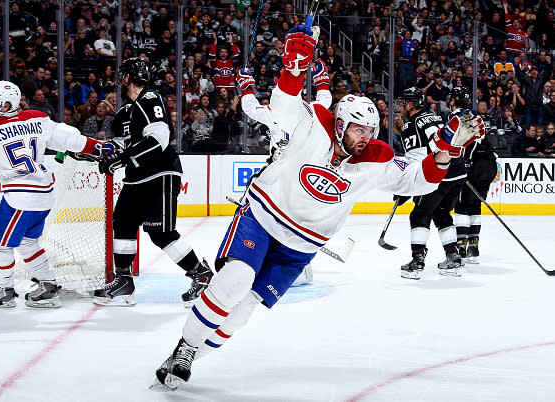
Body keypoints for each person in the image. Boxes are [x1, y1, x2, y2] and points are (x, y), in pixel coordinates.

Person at [153, 25, 483, 390]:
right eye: (359, 130)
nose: (366, 138)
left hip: (302, 245)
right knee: (235, 281)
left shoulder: (375, 158)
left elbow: (419, 180)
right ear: (341, 123)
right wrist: (294, 70)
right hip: (264, 215)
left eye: (371, 131)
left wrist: (447, 150)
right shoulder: (313, 122)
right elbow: (280, 108)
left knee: (244, 310)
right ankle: (185, 347)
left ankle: (187, 359)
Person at [0, 81, 115, 308]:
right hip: (43, 194)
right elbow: (69, 138)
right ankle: (48, 287)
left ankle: (4, 291)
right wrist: (98, 147)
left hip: (19, 197)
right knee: (27, 242)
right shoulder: (36, 118)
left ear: (6, 105)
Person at [93, 58, 213, 307]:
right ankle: (124, 280)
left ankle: (201, 274)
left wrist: (123, 157)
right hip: (137, 178)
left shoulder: (150, 98)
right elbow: (122, 144)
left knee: (161, 234)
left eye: (122, 75)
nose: (120, 78)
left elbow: (159, 137)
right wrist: (98, 152)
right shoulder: (125, 111)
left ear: (128, 77)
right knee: (123, 223)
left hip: (160, 173)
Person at [235, 58, 333, 285]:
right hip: (302, 175)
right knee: (291, 219)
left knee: (272, 217)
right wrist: (322, 78)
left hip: (282, 175)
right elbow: (325, 99)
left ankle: (284, 262)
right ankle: (299, 264)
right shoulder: (311, 111)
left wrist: (246, 85)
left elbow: (249, 107)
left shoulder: (274, 112)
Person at [395, 86, 476, 280]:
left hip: (437, 173)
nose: (400, 107)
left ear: (409, 104)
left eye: (402, 103)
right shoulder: (436, 116)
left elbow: (417, 159)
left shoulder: (410, 125)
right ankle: (453, 256)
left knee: (420, 214)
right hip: (457, 171)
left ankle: (417, 261)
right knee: (441, 212)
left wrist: (408, 188)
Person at [453, 89, 499, 264]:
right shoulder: (477, 118)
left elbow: (471, 143)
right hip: (490, 164)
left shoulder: (457, 117)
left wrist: (465, 163)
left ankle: (461, 246)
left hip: (476, 164)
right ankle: (473, 245)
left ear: (452, 101)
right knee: (475, 203)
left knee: (463, 204)